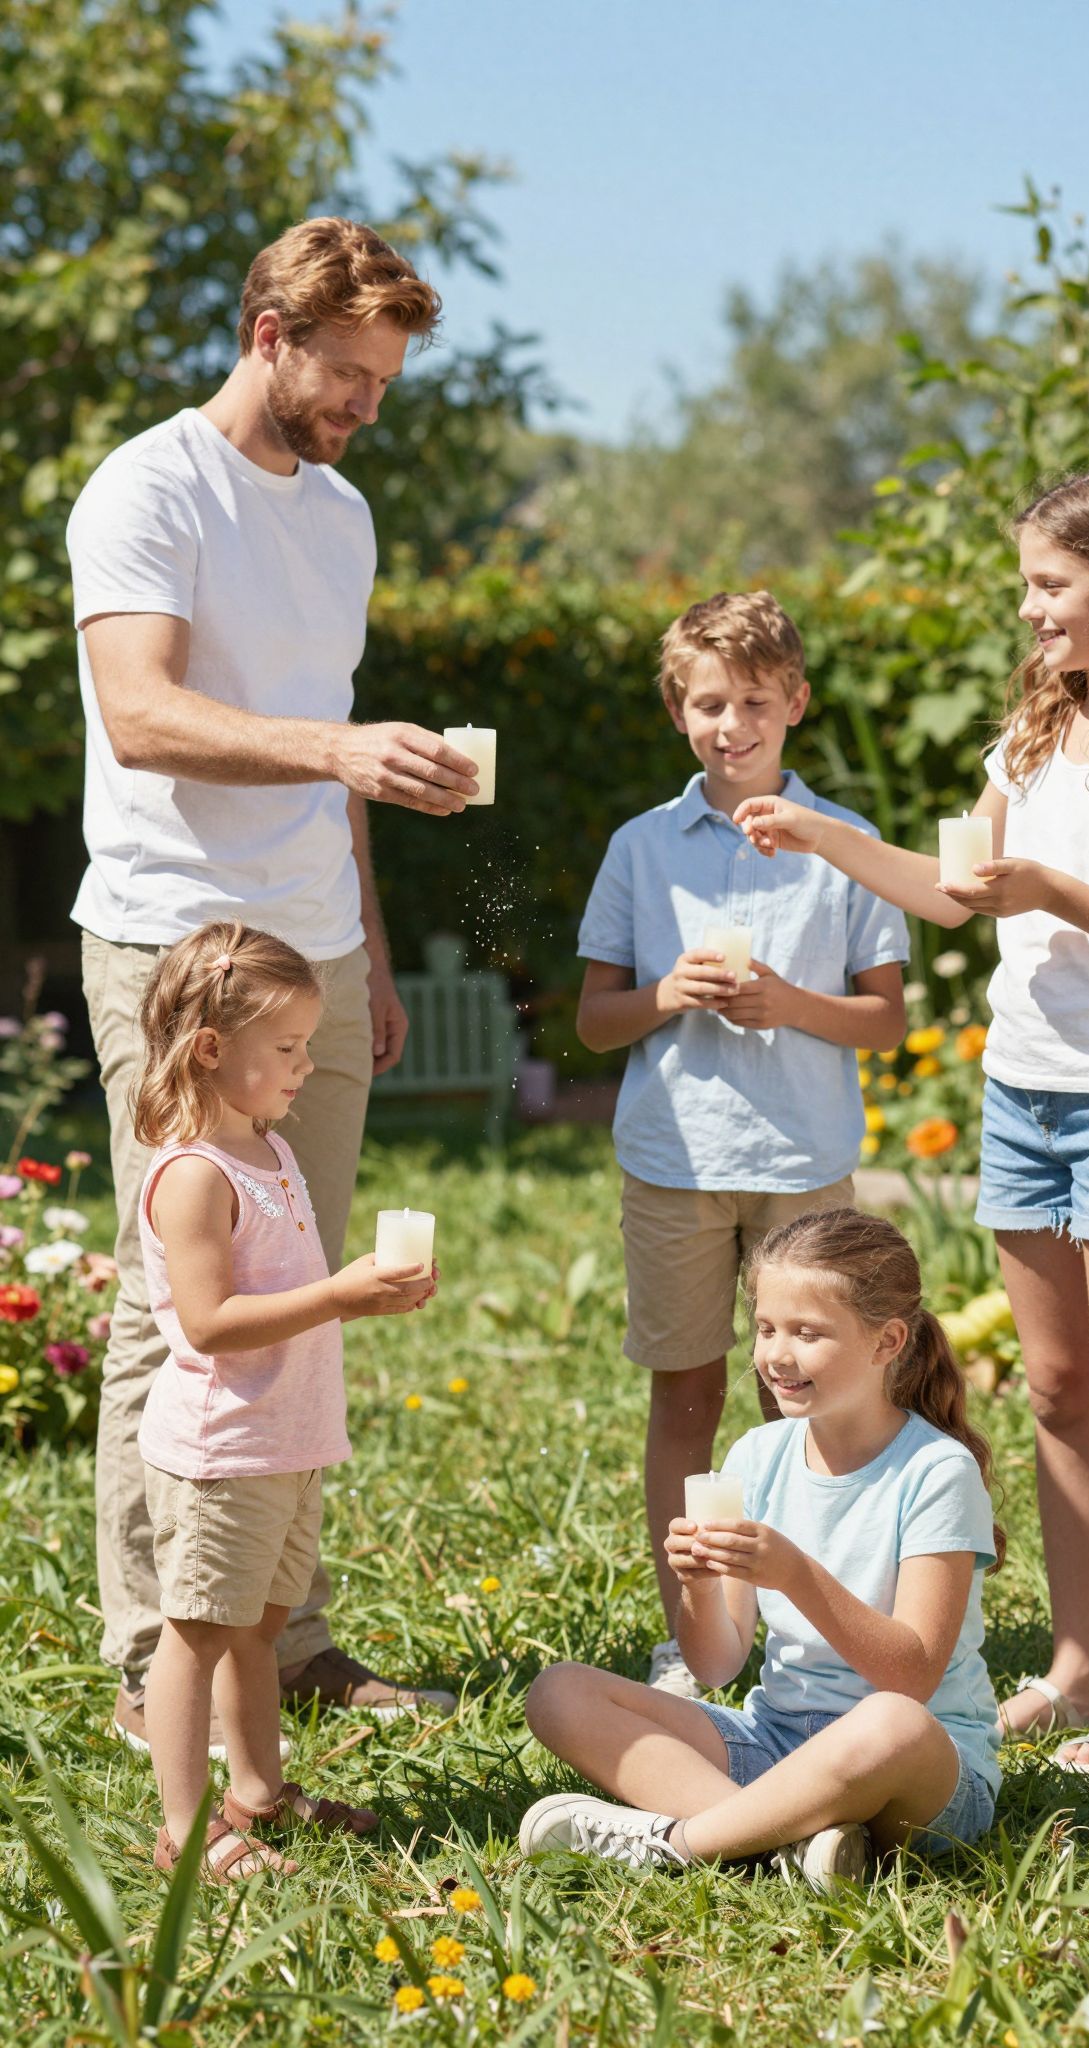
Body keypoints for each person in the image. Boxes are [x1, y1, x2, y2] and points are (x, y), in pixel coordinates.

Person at [66, 217, 478, 1751]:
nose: (367, 406)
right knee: (173, 1300)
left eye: (385, 382)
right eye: (349, 374)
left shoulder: (345, 518)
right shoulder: (148, 487)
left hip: (313, 947)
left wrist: (364, 941)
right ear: (268, 336)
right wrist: (335, 748)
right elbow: (142, 713)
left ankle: (284, 1639)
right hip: (174, 944)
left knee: (300, 1292)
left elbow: (329, 750)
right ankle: (152, 1654)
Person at [735, 468, 1089, 1775]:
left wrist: (1054, 891)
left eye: (1052, 584)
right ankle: (1080, 1669)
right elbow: (954, 890)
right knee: (1060, 1389)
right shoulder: (1033, 730)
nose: (1030, 609)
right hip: (1025, 1086)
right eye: (1027, 584)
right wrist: (821, 835)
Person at [575, 591, 908, 1697]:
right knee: (686, 1400)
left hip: (802, 1165)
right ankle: (698, 1638)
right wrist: (667, 993)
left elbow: (886, 1018)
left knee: (808, 1404)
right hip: (673, 1162)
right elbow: (595, 1021)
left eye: (756, 701)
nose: (733, 724)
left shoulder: (846, 845)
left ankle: (811, 1635)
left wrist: (791, 1005)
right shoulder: (640, 848)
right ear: (678, 711)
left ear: (796, 702)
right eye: (710, 704)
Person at [519, 1210, 1002, 1889]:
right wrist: (698, 1586)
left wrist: (796, 1575)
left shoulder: (936, 1471)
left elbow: (913, 1678)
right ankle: (788, 1845)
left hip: (922, 1771)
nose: (776, 1353)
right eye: (767, 1328)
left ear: (887, 1341)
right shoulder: (758, 1454)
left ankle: (682, 1845)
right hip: (775, 1739)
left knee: (890, 1723)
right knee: (560, 1692)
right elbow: (716, 1665)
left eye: (808, 1333)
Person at [134, 922, 437, 1881]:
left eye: (308, 1044)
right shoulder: (194, 1174)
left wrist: (366, 1295)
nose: (307, 1064)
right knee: (196, 1634)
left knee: (260, 1629)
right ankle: (186, 1831)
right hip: (221, 1450)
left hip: (285, 1443)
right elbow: (208, 1322)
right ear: (210, 1050)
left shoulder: (268, 1149)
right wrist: (341, 1296)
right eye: (289, 1047)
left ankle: (257, 1793)